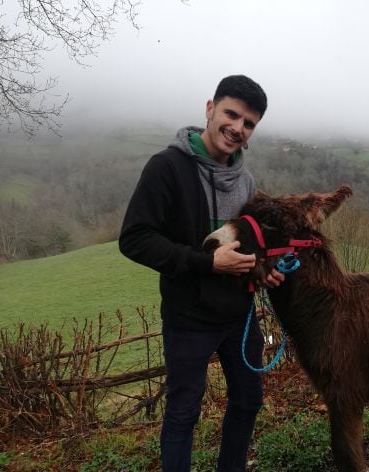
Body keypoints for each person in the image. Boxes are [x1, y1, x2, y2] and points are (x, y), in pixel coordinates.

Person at [119, 75, 284, 472]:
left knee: (248, 400)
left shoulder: (246, 181)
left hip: (239, 316)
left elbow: (246, 244)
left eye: (248, 124)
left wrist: (261, 270)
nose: (238, 128)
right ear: (210, 109)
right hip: (188, 317)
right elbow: (135, 239)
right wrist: (207, 263)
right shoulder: (166, 168)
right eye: (232, 114)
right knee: (183, 413)